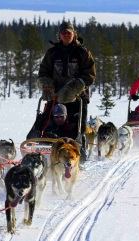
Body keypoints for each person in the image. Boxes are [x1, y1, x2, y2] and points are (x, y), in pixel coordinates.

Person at [37, 21, 96, 160]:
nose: (66, 35)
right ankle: (43, 149)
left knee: (77, 128)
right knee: (48, 122)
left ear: (74, 34)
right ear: (59, 36)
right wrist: (46, 85)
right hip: (56, 97)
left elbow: (89, 74)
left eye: (69, 33)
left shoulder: (82, 52)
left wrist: (75, 87)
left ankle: (79, 153)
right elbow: (44, 71)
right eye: (64, 33)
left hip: (77, 98)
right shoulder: (52, 53)